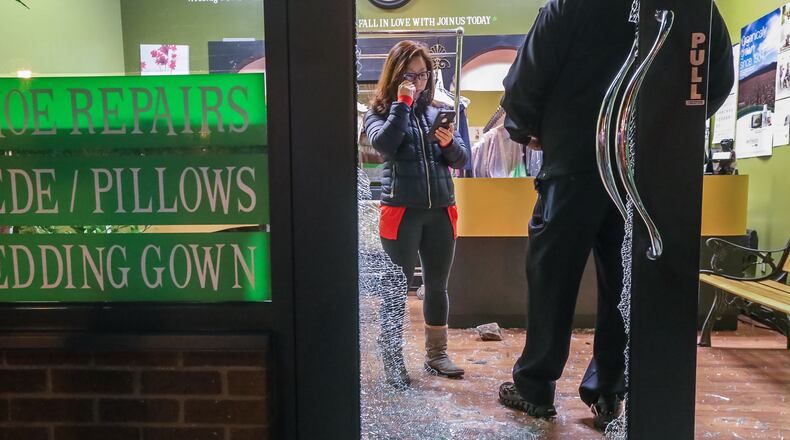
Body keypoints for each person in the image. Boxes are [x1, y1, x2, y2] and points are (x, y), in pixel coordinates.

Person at [495, 0, 734, 430]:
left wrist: (528, 131)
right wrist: (668, 131)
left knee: (552, 277)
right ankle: (609, 392)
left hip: (572, 163)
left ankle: (535, 387)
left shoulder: (567, 5)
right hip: (644, 172)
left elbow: (524, 82)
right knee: (626, 285)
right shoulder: (688, 5)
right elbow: (715, 78)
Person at [364, 41, 470, 389]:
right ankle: (392, 356)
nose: (419, 81)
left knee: (437, 284)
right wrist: (403, 103)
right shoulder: (378, 113)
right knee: (395, 285)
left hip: (440, 210)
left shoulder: (436, 112)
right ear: (395, 75)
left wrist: (448, 144)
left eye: (423, 74)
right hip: (401, 212)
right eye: (410, 75)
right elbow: (385, 145)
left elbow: (461, 160)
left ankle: (437, 354)